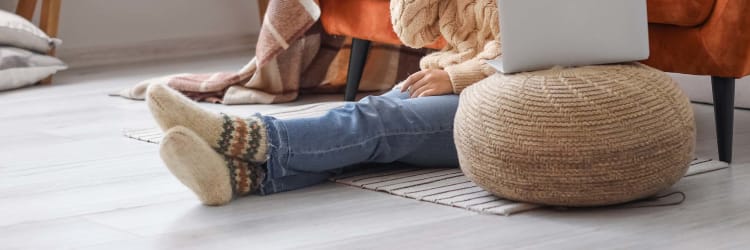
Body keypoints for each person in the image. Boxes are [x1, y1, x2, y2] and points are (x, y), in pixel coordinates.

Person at [148, 0, 501, 206]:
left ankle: (239, 134)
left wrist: (457, 78)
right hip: (446, 80)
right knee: (360, 140)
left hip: (508, 97)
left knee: (375, 121)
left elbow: (538, 53)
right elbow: (413, 31)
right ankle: (237, 177)